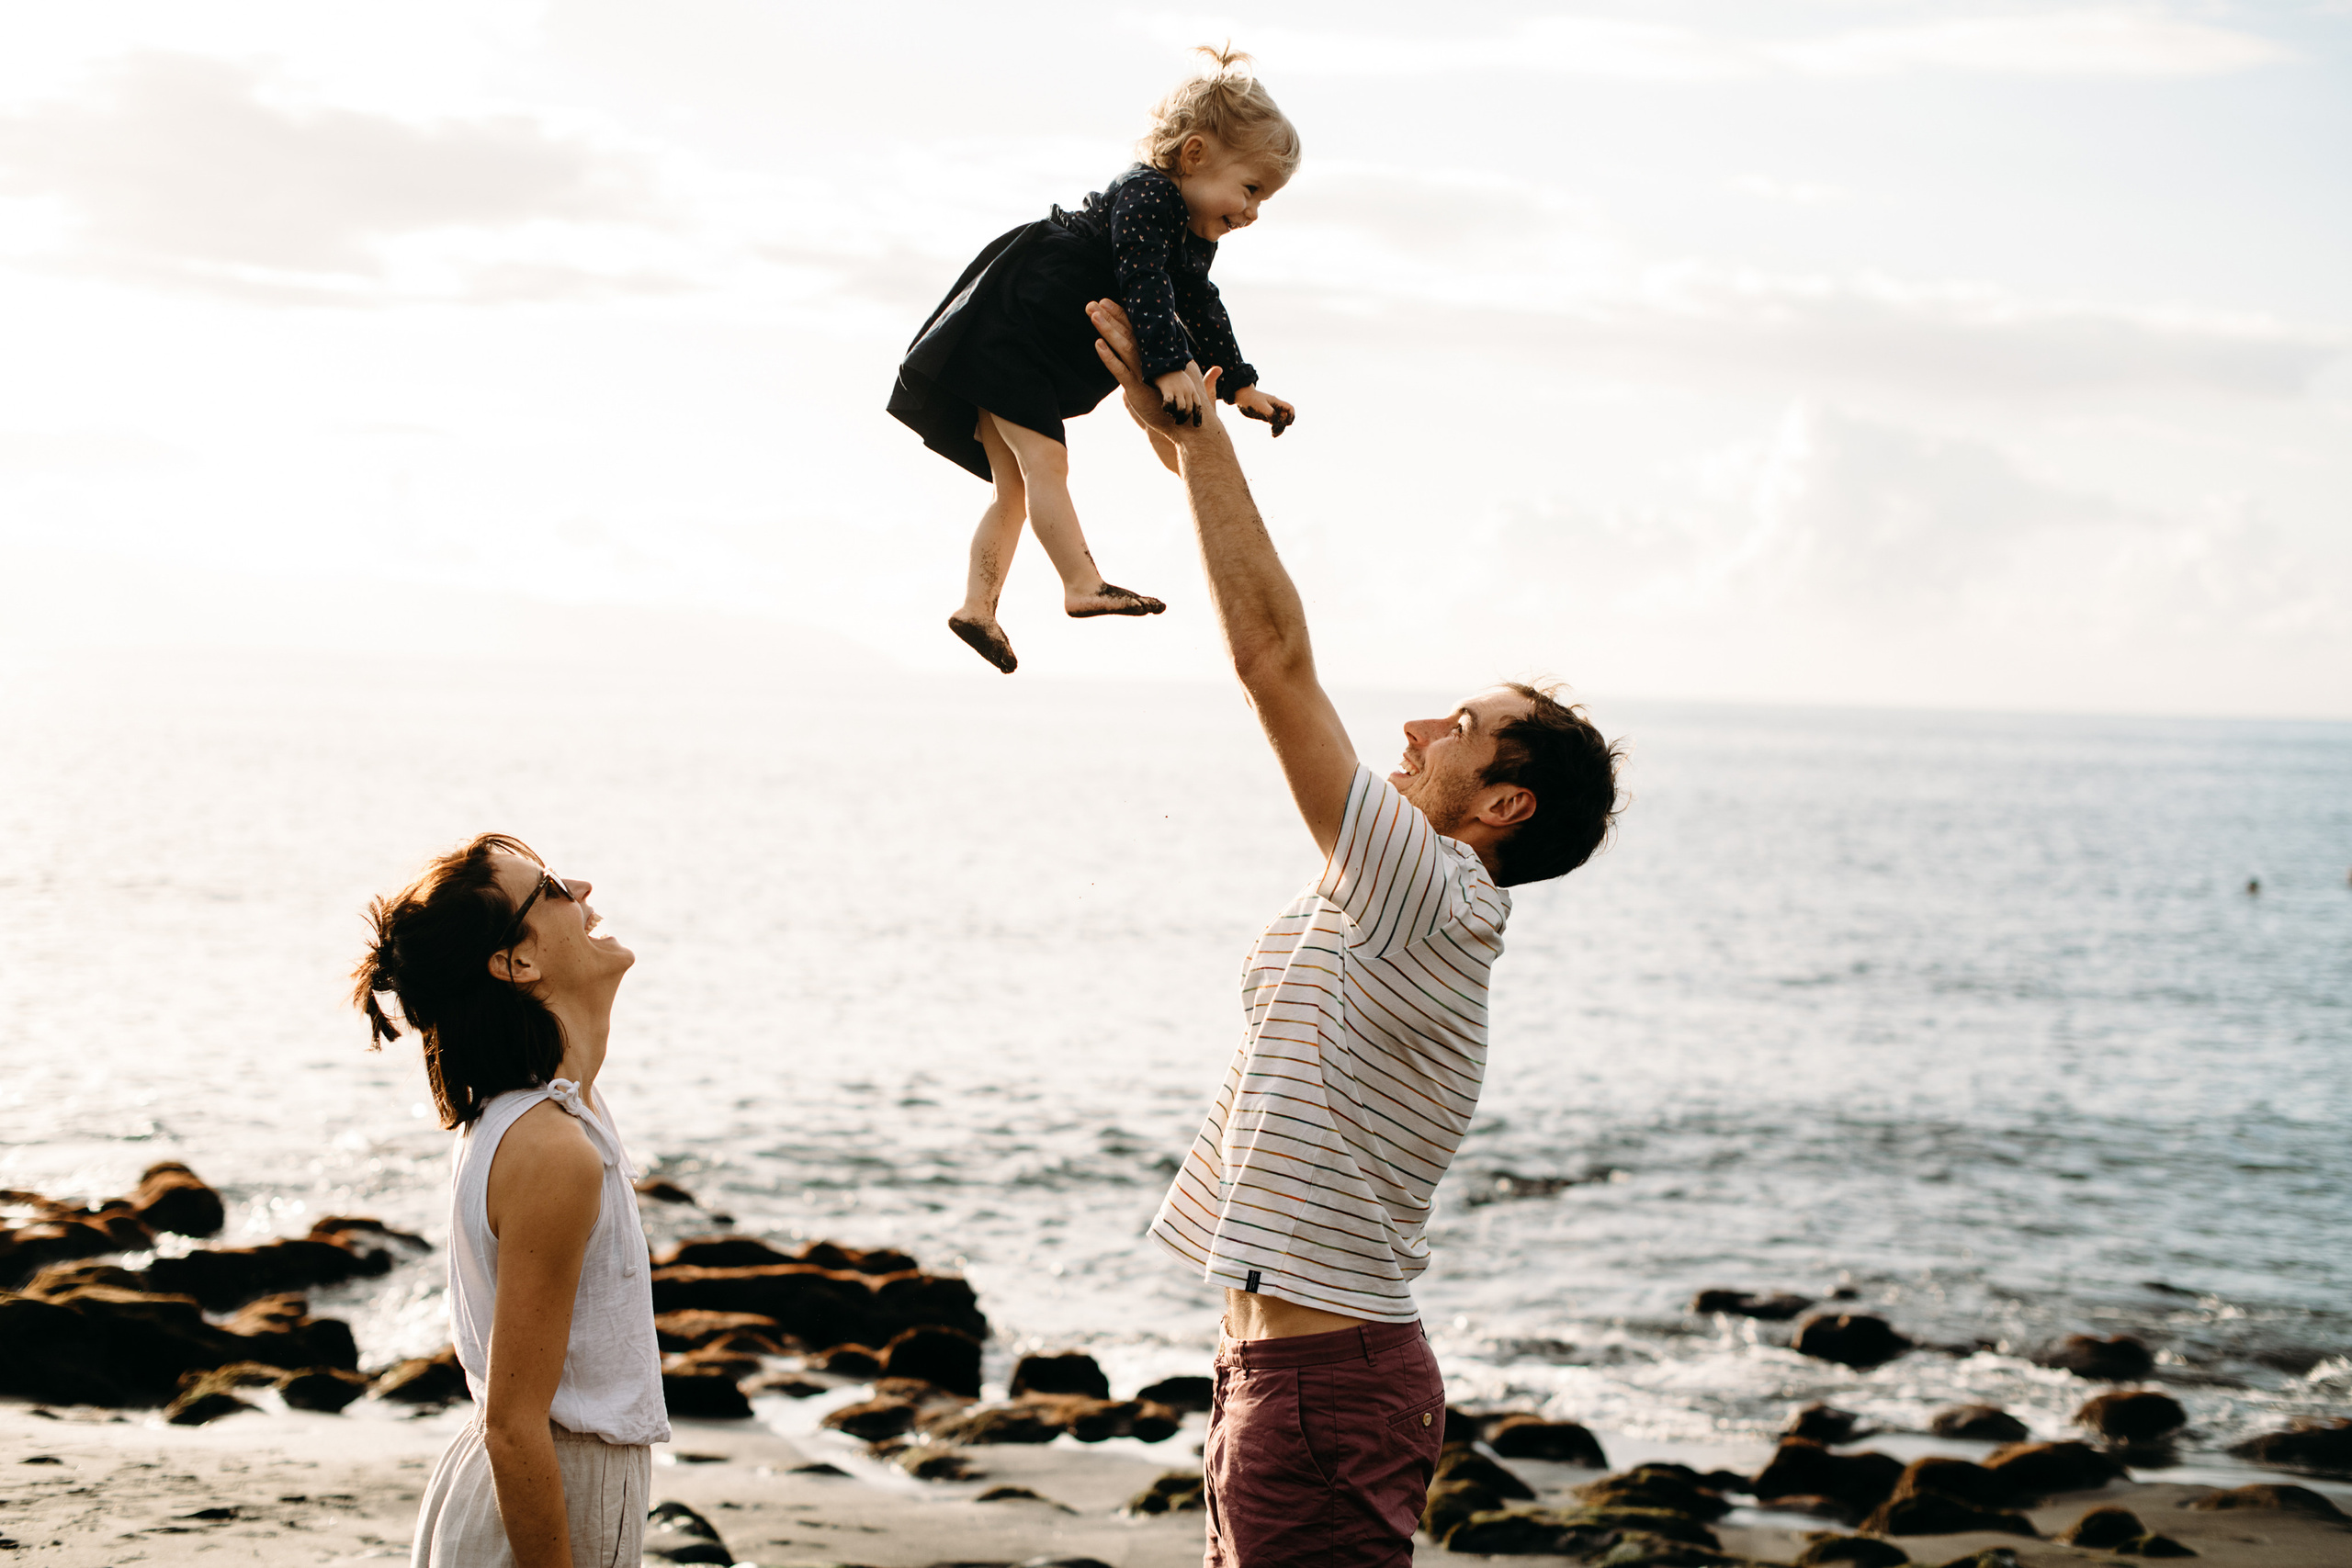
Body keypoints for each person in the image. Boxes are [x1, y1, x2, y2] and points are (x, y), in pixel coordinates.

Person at [1085, 299, 1626, 1566]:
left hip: (1325, 1387)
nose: (1417, 730)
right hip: (1274, 1372)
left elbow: (1274, 663)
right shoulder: (1397, 893)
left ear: (1501, 805)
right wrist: (1178, 444)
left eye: (1460, 726)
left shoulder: (1432, 894)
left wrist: (1211, 441)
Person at [888, 44, 1301, 675]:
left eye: (1263, 202)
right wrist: (1165, 365)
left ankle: (977, 607)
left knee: (1017, 489)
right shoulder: (1149, 197)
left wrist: (1241, 386)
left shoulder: (1188, 231)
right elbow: (1144, 282)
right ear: (1194, 154)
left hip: (1021, 336)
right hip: (1013, 324)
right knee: (1045, 463)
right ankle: (1082, 584)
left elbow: (1198, 301)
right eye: (1250, 190)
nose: (1251, 212)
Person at [352, 834, 668, 1568]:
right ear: (516, 962)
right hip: (547, 1495)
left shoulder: (546, 1114)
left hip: (527, 1488)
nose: (584, 888)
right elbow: (515, 1424)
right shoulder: (551, 1147)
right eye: (554, 886)